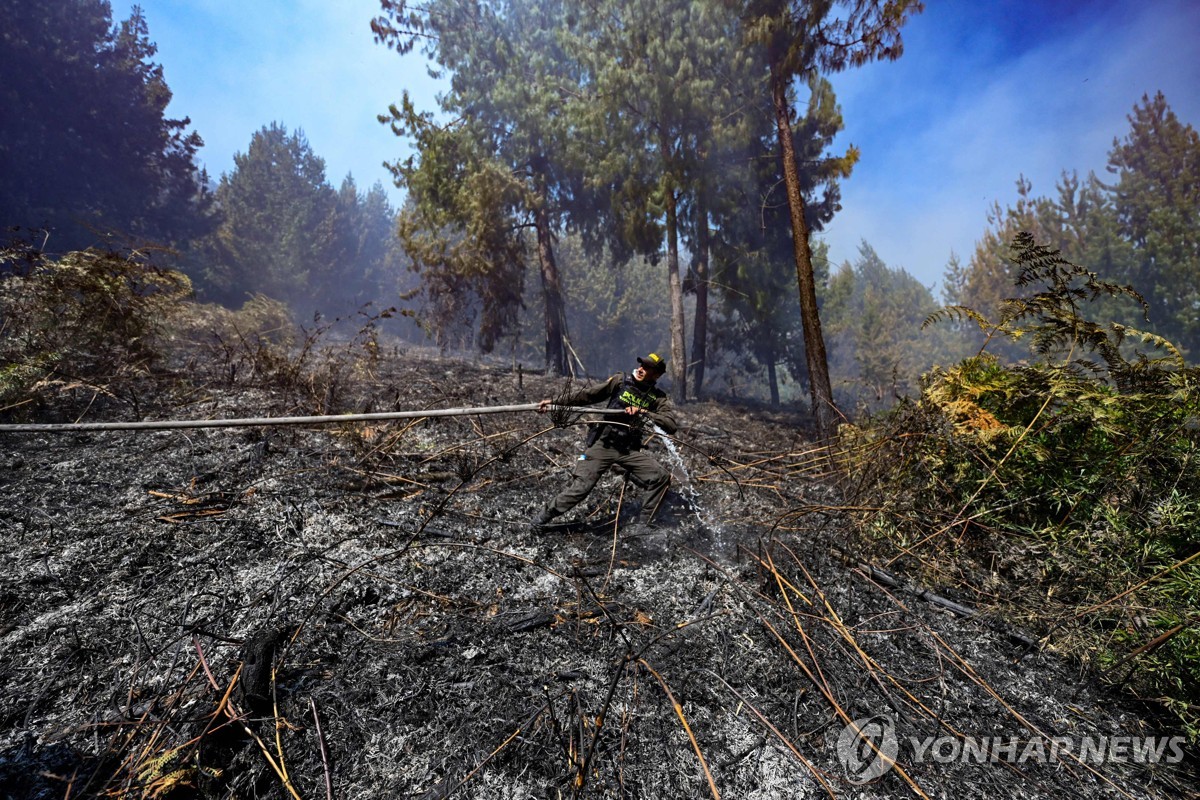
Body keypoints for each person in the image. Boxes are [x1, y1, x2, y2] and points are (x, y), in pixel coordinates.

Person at [532, 352, 678, 529]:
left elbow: (670, 425)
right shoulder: (620, 381)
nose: (641, 369)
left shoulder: (658, 398)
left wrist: (643, 412)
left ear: (656, 375)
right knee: (581, 488)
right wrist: (555, 403)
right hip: (603, 444)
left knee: (660, 477)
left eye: (647, 368)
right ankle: (540, 520)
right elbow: (588, 395)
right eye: (641, 365)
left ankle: (642, 527)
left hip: (629, 451)